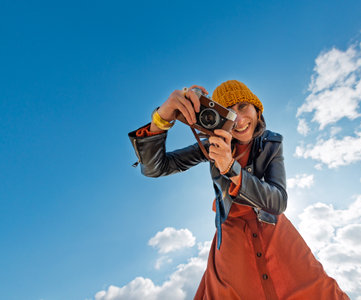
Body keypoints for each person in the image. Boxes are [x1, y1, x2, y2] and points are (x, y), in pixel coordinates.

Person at [129, 80, 349, 299]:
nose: (239, 119)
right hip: (231, 239)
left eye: (243, 106)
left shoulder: (272, 142)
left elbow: (278, 201)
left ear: (257, 109)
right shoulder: (211, 145)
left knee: (316, 290)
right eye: (229, 112)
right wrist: (162, 118)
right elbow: (155, 169)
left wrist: (230, 167)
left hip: (276, 234)